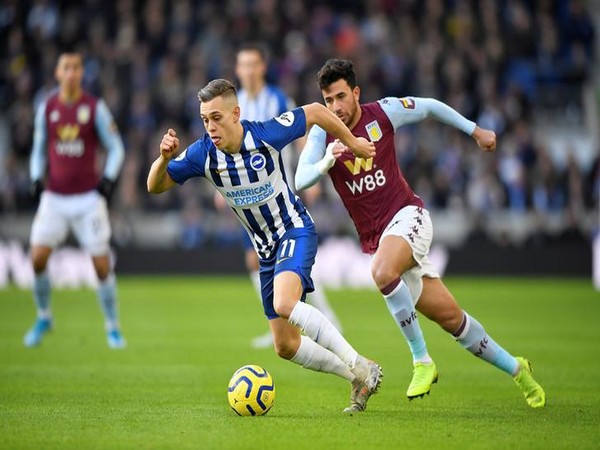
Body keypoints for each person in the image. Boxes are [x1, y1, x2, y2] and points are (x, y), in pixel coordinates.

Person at [295, 59, 546, 408]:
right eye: (327, 100)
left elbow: (428, 107)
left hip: (409, 216)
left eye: (340, 97)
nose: (335, 107)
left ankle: (422, 361)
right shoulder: (324, 132)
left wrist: (475, 130)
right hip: (382, 239)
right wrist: (327, 160)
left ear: (355, 93)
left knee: (382, 272)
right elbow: (300, 178)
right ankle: (518, 370)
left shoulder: (382, 114)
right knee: (454, 321)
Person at [147, 78, 381, 413]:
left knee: (285, 302)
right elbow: (154, 186)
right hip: (265, 249)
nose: (210, 126)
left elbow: (315, 111)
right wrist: (163, 159)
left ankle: (361, 364)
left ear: (236, 114)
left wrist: (353, 142)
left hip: (294, 229)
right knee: (285, 345)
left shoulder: (266, 134)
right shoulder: (203, 154)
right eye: (204, 119)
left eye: (216, 117)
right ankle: (356, 375)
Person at [231, 42, 342, 348]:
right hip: (249, 200)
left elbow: (301, 133)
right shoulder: (235, 104)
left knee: (292, 263)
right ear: (238, 70)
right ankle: (277, 324)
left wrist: (314, 174)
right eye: (243, 65)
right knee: (255, 261)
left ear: (262, 67)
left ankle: (327, 316)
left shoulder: (278, 99)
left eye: (253, 64)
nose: (249, 71)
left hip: (281, 192)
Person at [24, 50, 126, 349]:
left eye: (76, 68)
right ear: (58, 73)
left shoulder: (94, 108)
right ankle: (44, 316)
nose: (71, 73)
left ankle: (113, 326)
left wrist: (108, 178)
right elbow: (39, 148)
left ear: (81, 74)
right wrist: (35, 176)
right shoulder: (48, 107)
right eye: (66, 67)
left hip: (87, 199)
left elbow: (116, 147)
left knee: (101, 266)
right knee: (38, 258)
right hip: (54, 197)